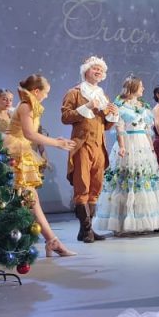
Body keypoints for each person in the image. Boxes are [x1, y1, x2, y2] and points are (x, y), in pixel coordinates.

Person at [3, 75, 77, 257]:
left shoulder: (30, 105)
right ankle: (50, 241)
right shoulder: (26, 106)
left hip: (21, 151)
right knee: (26, 199)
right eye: (46, 92)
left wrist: (56, 141)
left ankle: (51, 241)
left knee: (29, 199)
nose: (46, 96)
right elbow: (29, 134)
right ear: (36, 91)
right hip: (15, 152)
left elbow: (32, 134)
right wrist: (57, 143)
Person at [94, 77, 159, 234]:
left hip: (142, 145)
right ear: (132, 87)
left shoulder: (143, 106)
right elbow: (119, 128)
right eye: (141, 86)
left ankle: (141, 222)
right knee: (126, 181)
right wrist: (122, 146)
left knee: (142, 181)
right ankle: (122, 223)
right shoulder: (121, 105)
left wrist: (151, 148)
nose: (143, 89)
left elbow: (147, 130)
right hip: (129, 143)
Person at [61, 56, 119, 243]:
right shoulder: (75, 92)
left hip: (99, 145)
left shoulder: (103, 96)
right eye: (95, 68)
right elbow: (65, 117)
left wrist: (112, 115)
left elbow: (104, 126)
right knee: (82, 186)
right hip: (82, 145)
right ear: (86, 71)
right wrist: (86, 106)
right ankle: (86, 229)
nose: (98, 72)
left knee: (95, 187)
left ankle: (87, 229)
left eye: (101, 70)